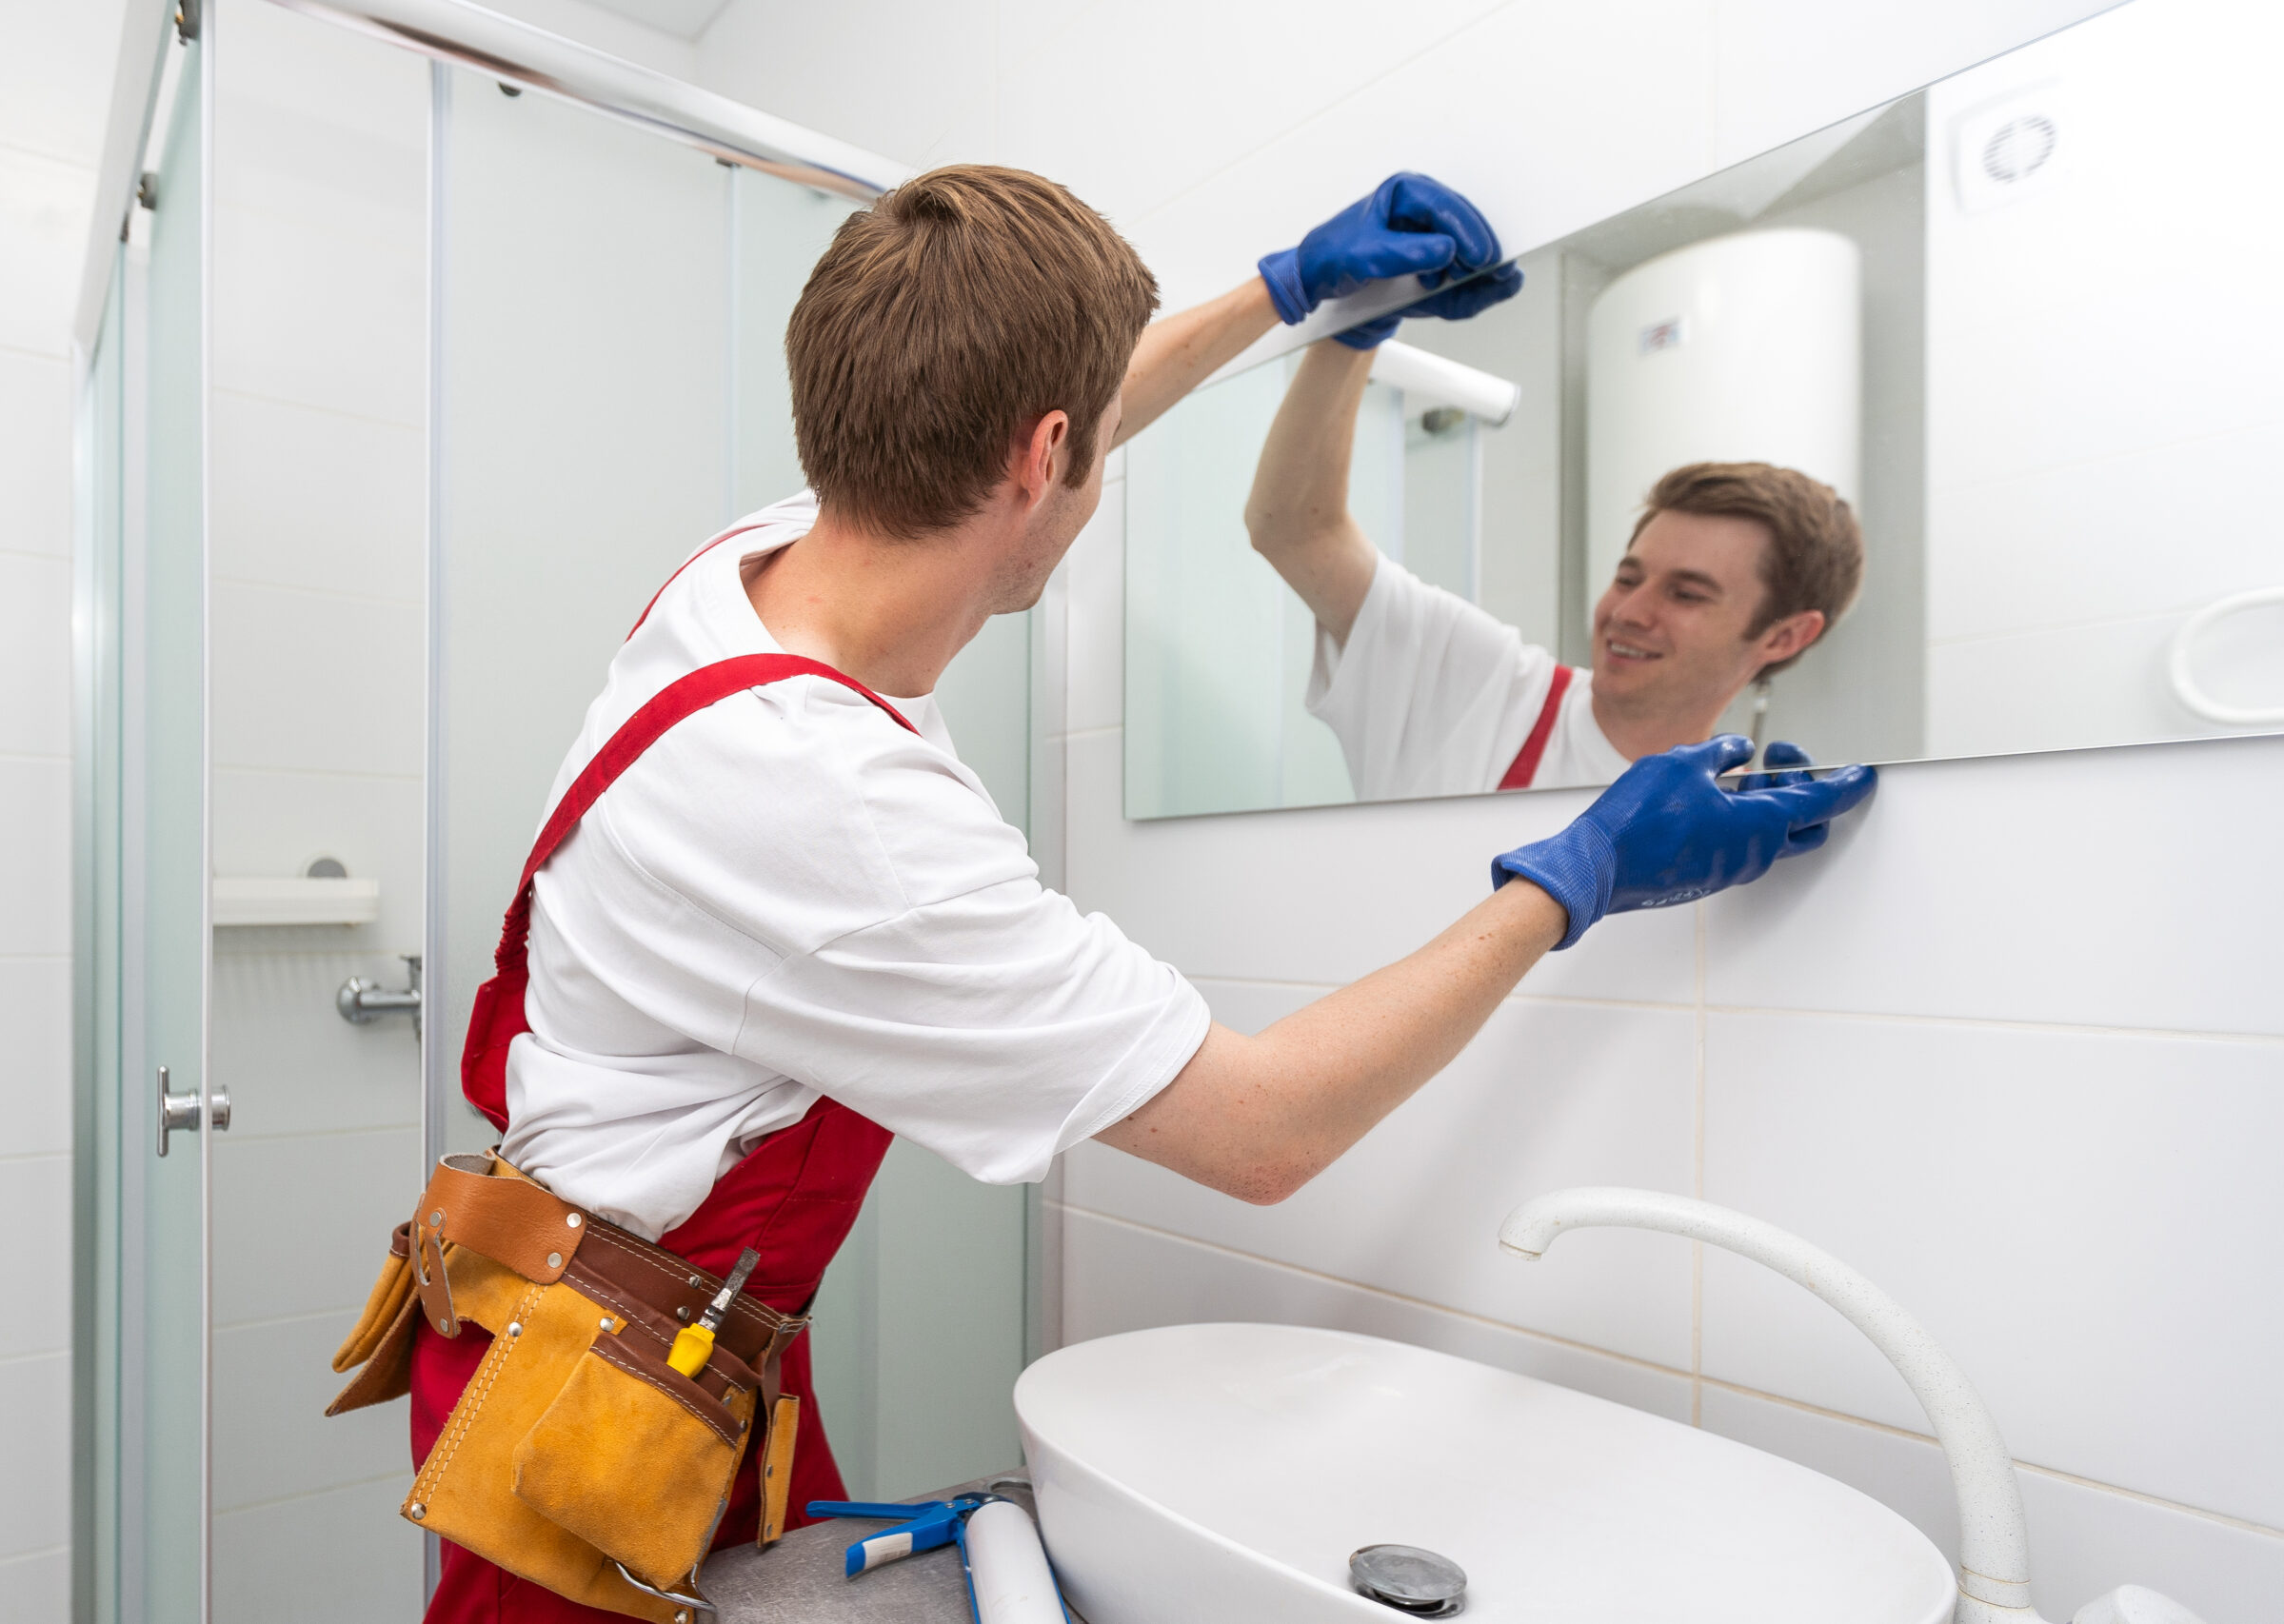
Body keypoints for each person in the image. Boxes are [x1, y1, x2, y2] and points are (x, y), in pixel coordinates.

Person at [403, 166, 1874, 1621]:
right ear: (1045, 456)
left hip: (652, 1350)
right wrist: (1582, 869)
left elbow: (1040, 428)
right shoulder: (832, 803)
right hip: (586, 1408)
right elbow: (1262, 1129)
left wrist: (1289, 291)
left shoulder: (759, 567)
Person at [1245, 296, 1866, 800]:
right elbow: (1295, 528)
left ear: (1784, 637)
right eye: (1629, 577)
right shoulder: (1479, 686)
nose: (1629, 612)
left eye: (1686, 593)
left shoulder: (1737, 822)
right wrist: (1356, 324)